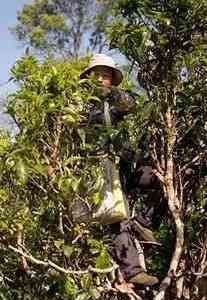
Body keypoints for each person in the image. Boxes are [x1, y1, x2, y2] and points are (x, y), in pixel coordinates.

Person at [80, 54, 163, 286]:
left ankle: (143, 222)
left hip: (125, 164)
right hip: (102, 169)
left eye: (105, 76)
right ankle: (133, 271)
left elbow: (134, 105)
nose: (100, 80)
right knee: (116, 219)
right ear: (87, 78)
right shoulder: (80, 106)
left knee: (158, 180)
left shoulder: (117, 100)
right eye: (96, 75)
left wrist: (112, 95)